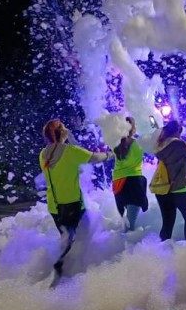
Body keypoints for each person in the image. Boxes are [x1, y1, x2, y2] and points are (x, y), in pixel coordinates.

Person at [39, 119, 114, 274]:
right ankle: (71, 269)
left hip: (54, 206)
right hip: (72, 204)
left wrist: (64, 138)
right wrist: (112, 154)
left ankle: (64, 269)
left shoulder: (43, 154)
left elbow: (65, 153)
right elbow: (96, 158)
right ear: (62, 132)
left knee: (66, 237)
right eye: (65, 128)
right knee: (82, 235)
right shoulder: (70, 152)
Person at [112, 117, 148, 232]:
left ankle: (122, 244)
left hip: (118, 183)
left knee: (127, 219)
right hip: (134, 183)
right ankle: (127, 247)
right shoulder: (139, 143)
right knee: (130, 223)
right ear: (133, 128)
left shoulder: (115, 144)